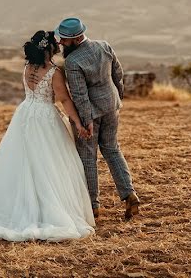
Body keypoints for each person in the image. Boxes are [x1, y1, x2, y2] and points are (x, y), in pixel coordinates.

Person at [0, 30, 95, 241]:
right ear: (50, 49)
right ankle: (46, 210)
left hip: (25, 113)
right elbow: (65, 100)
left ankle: (16, 205)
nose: (58, 47)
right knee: (49, 164)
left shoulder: (26, 68)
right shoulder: (54, 72)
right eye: (55, 45)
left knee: (21, 162)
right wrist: (78, 123)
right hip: (45, 118)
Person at [56, 17, 140, 220]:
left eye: (64, 40)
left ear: (76, 39)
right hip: (111, 107)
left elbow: (79, 95)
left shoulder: (73, 62)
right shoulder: (104, 46)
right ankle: (129, 194)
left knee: (88, 158)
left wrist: (86, 122)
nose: (60, 43)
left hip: (91, 114)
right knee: (112, 149)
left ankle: (93, 206)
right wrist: (118, 97)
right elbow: (117, 74)